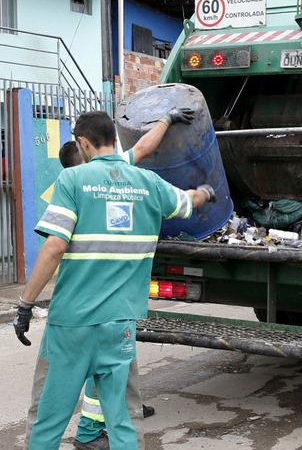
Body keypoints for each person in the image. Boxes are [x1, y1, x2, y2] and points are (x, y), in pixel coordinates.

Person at [13, 110, 215, 450]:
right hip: (119, 323)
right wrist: (208, 192)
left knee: (49, 420)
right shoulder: (146, 182)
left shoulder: (72, 181)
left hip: (71, 324)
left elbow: (54, 246)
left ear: (83, 142)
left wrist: (25, 304)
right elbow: (189, 201)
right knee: (120, 421)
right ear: (115, 140)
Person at [58, 108, 194, 450]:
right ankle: (98, 429)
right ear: (87, 151)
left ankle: (107, 421)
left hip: (94, 300)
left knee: (109, 363)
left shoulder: (81, 182)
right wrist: (168, 118)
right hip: (105, 301)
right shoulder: (101, 180)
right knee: (106, 366)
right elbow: (143, 150)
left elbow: (142, 149)